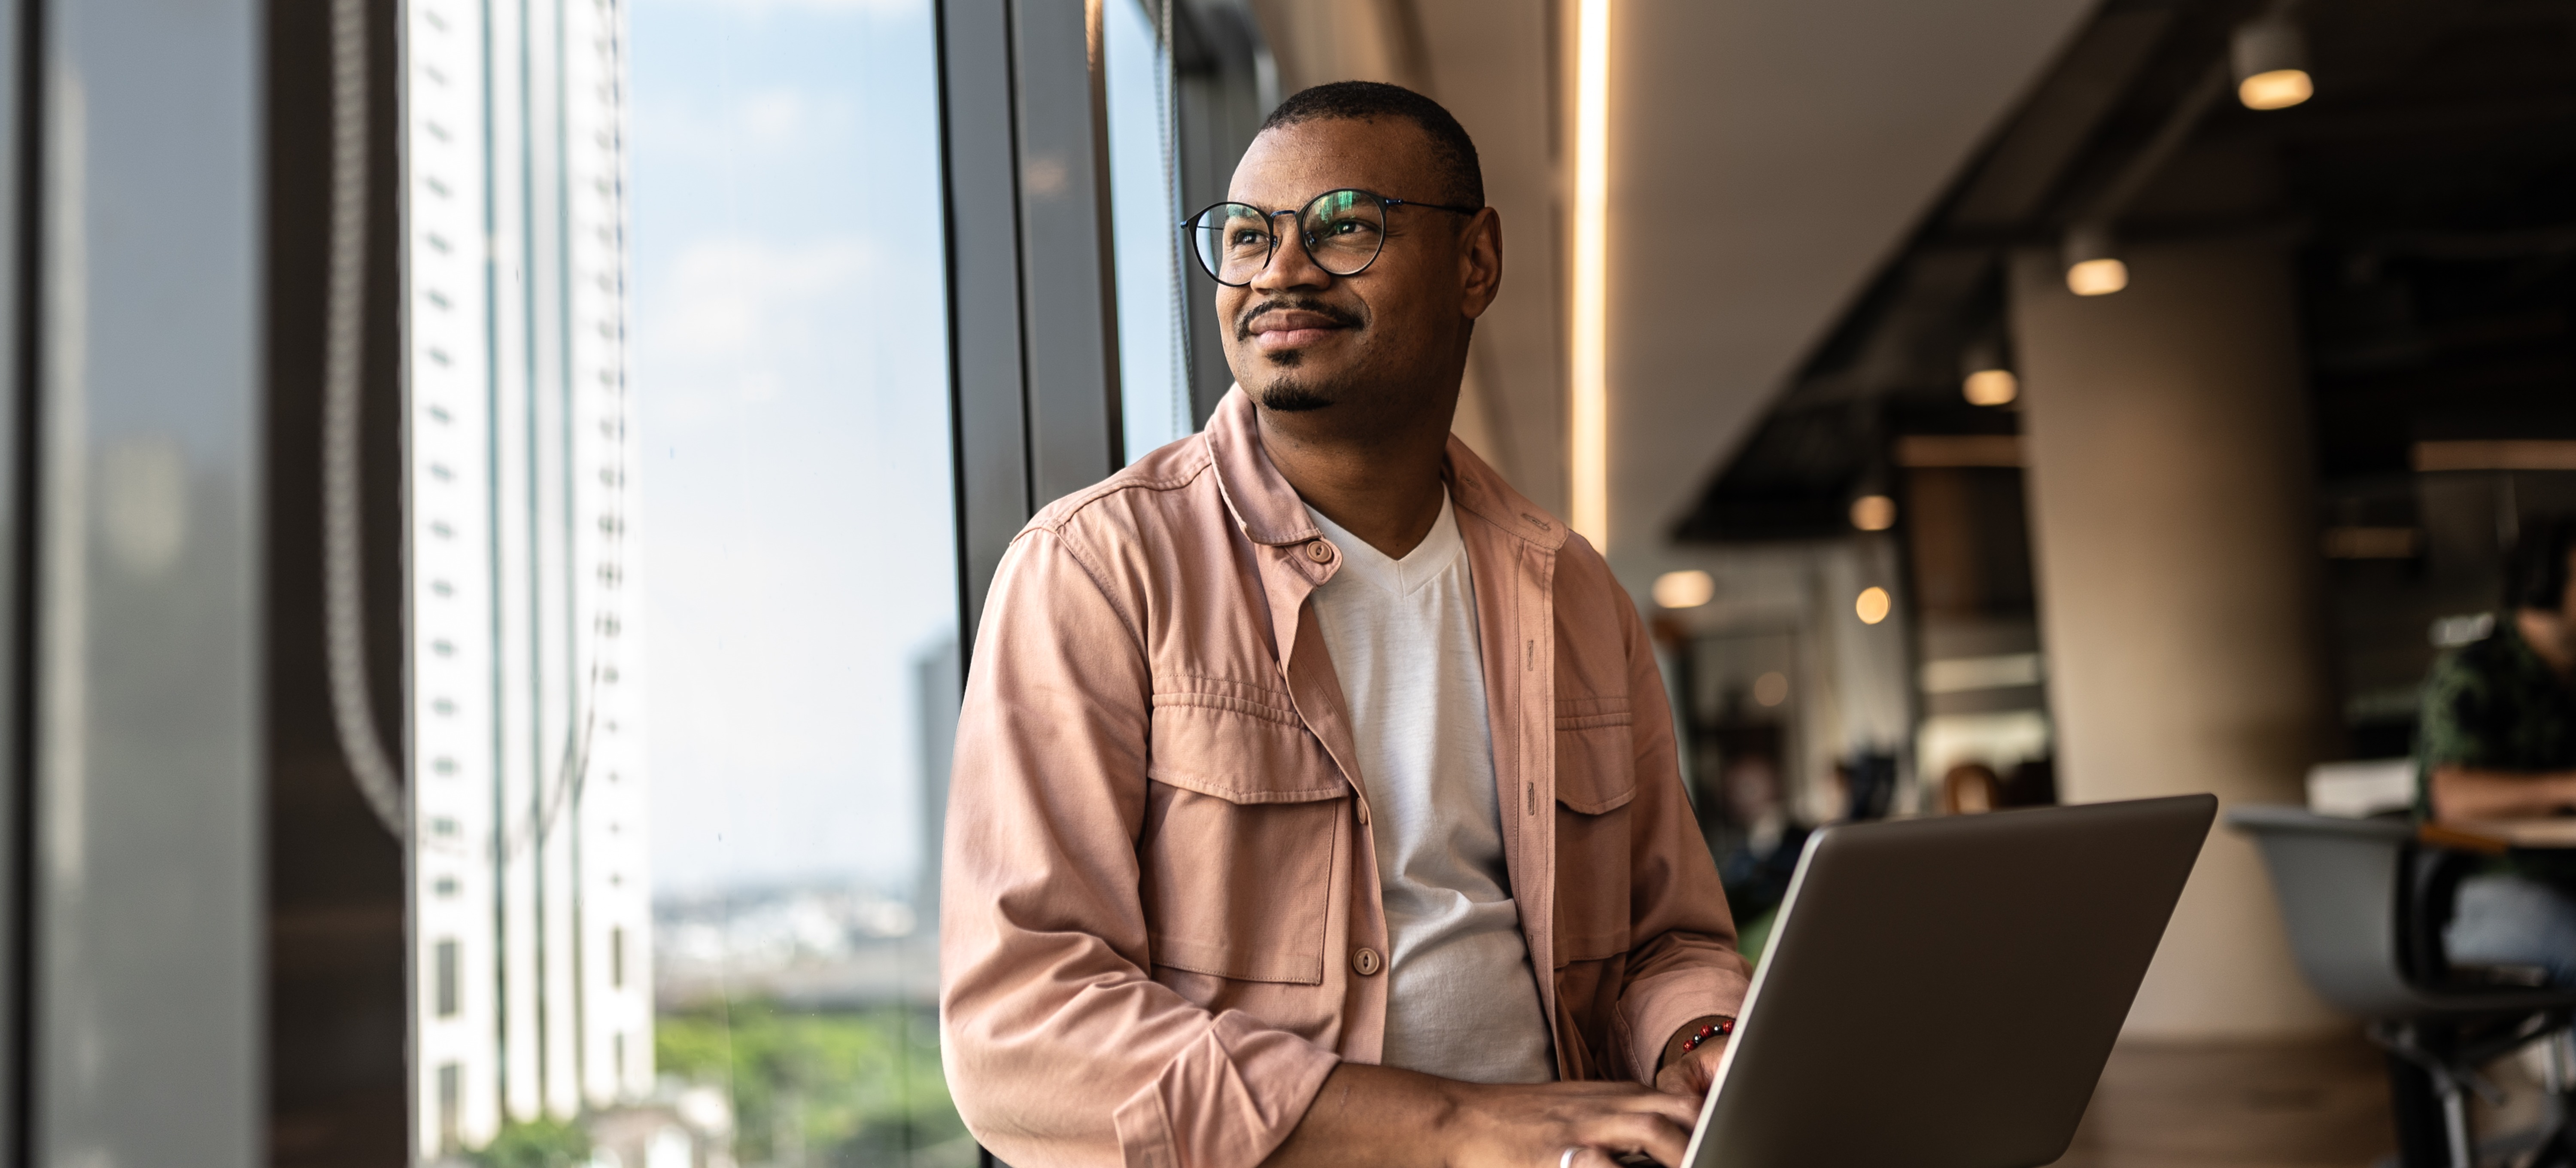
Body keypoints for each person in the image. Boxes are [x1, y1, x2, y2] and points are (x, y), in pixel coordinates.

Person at [940, 81, 1748, 1168]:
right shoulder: (1097, 568)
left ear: (1477, 262)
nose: (1279, 269)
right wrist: (1459, 1126)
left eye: (1344, 227)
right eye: (1247, 236)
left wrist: (1703, 1039)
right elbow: (1021, 1031)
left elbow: (1668, 940)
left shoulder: (1574, 591)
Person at [2419, 516, 2576, 987]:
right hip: (2481, 886)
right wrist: (2566, 786)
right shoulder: (2475, 675)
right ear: (2543, 582)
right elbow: (2453, 799)